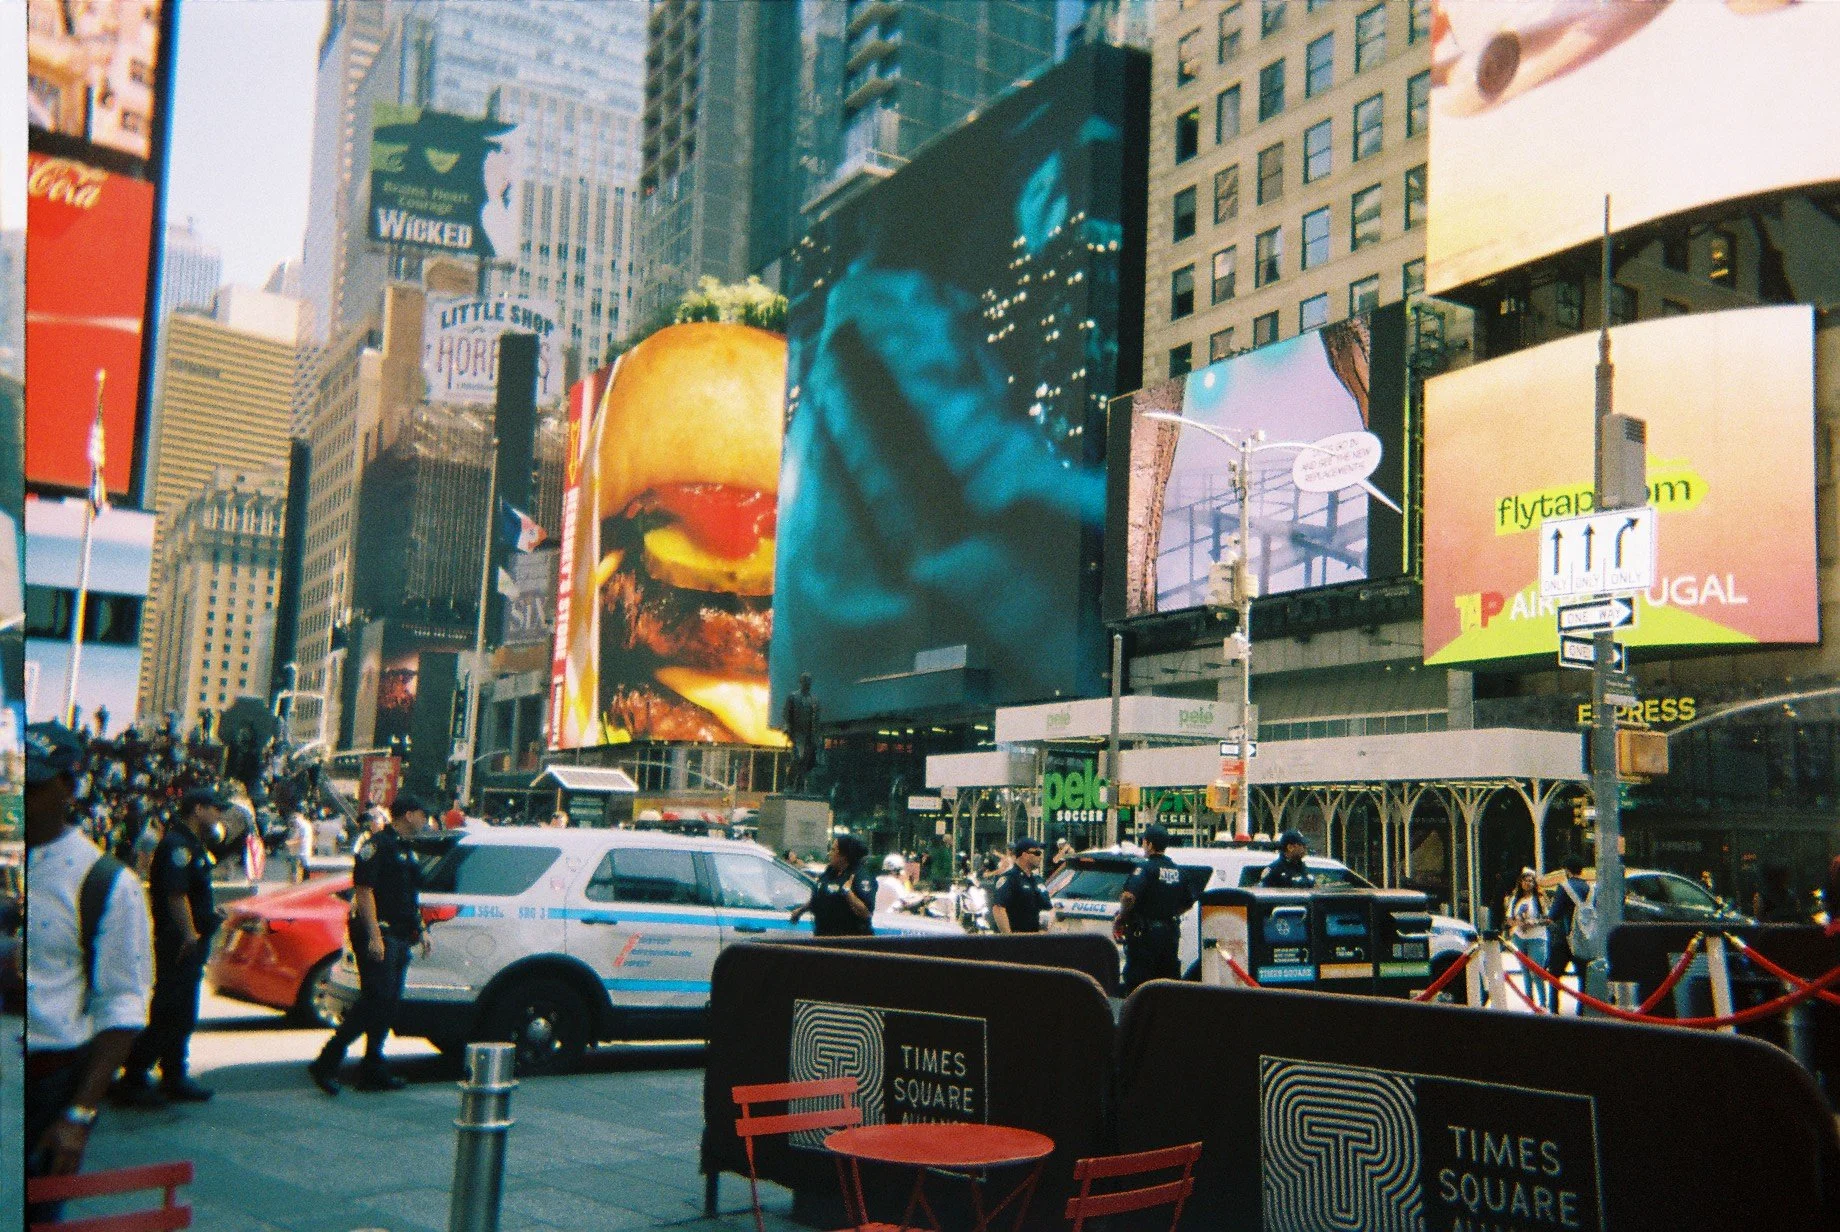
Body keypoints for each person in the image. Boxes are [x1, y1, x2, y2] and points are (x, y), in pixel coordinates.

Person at [24, 723, 154, 1221]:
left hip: (46, 1083)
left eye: (33, 786)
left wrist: (79, 1113)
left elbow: (122, 1005)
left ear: (69, 787)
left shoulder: (105, 883)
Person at [113, 784, 231, 1106]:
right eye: (215, 807)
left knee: (182, 1013)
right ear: (197, 809)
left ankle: (174, 1075)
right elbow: (175, 896)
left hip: (190, 938)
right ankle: (133, 1078)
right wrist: (190, 934)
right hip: (179, 941)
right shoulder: (178, 846)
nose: (219, 813)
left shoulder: (192, 844)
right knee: (169, 1012)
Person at [310, 794, 433, 1094]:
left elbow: (408, 895)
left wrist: (421, 928)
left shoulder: (406, 850)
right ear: (408, 814)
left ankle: (373, 1068)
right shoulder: (377, 846)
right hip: (380, 933)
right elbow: (364, 892)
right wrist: (375, 936)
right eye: (422, 814)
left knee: (388, 1003)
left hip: (401, 935)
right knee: (375, 999)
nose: (426, 821)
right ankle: (327, 1060)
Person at [1114, 825, 1195, 993]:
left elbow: (1128, 896)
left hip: (1145, 937)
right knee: (1166, 986)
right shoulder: (1178, 871)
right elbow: (1188, 903)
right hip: (1169, 935)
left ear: (1149, 844)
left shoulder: (1145, 868)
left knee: (1139, 986)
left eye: (1144, 842)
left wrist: (1122, 917)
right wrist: (1168, 912)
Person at [790, 835, 876, 936]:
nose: (829, 853)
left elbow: (866, 913)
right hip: (823, 936)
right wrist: (801, 910)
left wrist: (848, 893)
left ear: (844, 855)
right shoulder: (830, 872)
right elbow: (820, 896)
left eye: (833, 850)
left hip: (848, 941)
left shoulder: (859, 876)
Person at [1545, 859, 1591, 1016]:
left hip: (1563, 939)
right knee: (1583, 978)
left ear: (1566, 870)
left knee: (1554, 976)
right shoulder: (1589, 888)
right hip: (1584, 939)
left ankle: (1554, 1011)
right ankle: (1581, 1011)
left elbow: (1554, 914)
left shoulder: (1564, 887)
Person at [1505, 868, 1551, 1010]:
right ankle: (1529, 1000)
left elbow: (1548, 919)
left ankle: (1543, 1003)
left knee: (1537, 971)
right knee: (1524, 970)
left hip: (1537, 937)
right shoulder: (1515, 899)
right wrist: (1518, 923)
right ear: (1521, 882)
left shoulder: (1540, 898)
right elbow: (1509, 919)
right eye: (1525, 880)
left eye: (1531, 880)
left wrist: (1534, 923)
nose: (1528, 883)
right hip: (1520, 937)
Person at [989, 837, 1052, 933]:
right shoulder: (1010, 878)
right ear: (1025, 855)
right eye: (1037, 853)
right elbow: (998, 908)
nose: (1041, 857)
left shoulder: (1038, 880)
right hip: (1017, 938)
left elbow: (1046, 908)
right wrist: (1010, 938)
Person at [875, 853, 924, 919]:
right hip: (890, 920)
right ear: (897, 871)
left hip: (875, 919)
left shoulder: (876, 880)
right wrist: (921, 898)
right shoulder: (894, 883)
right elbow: (906, 902)